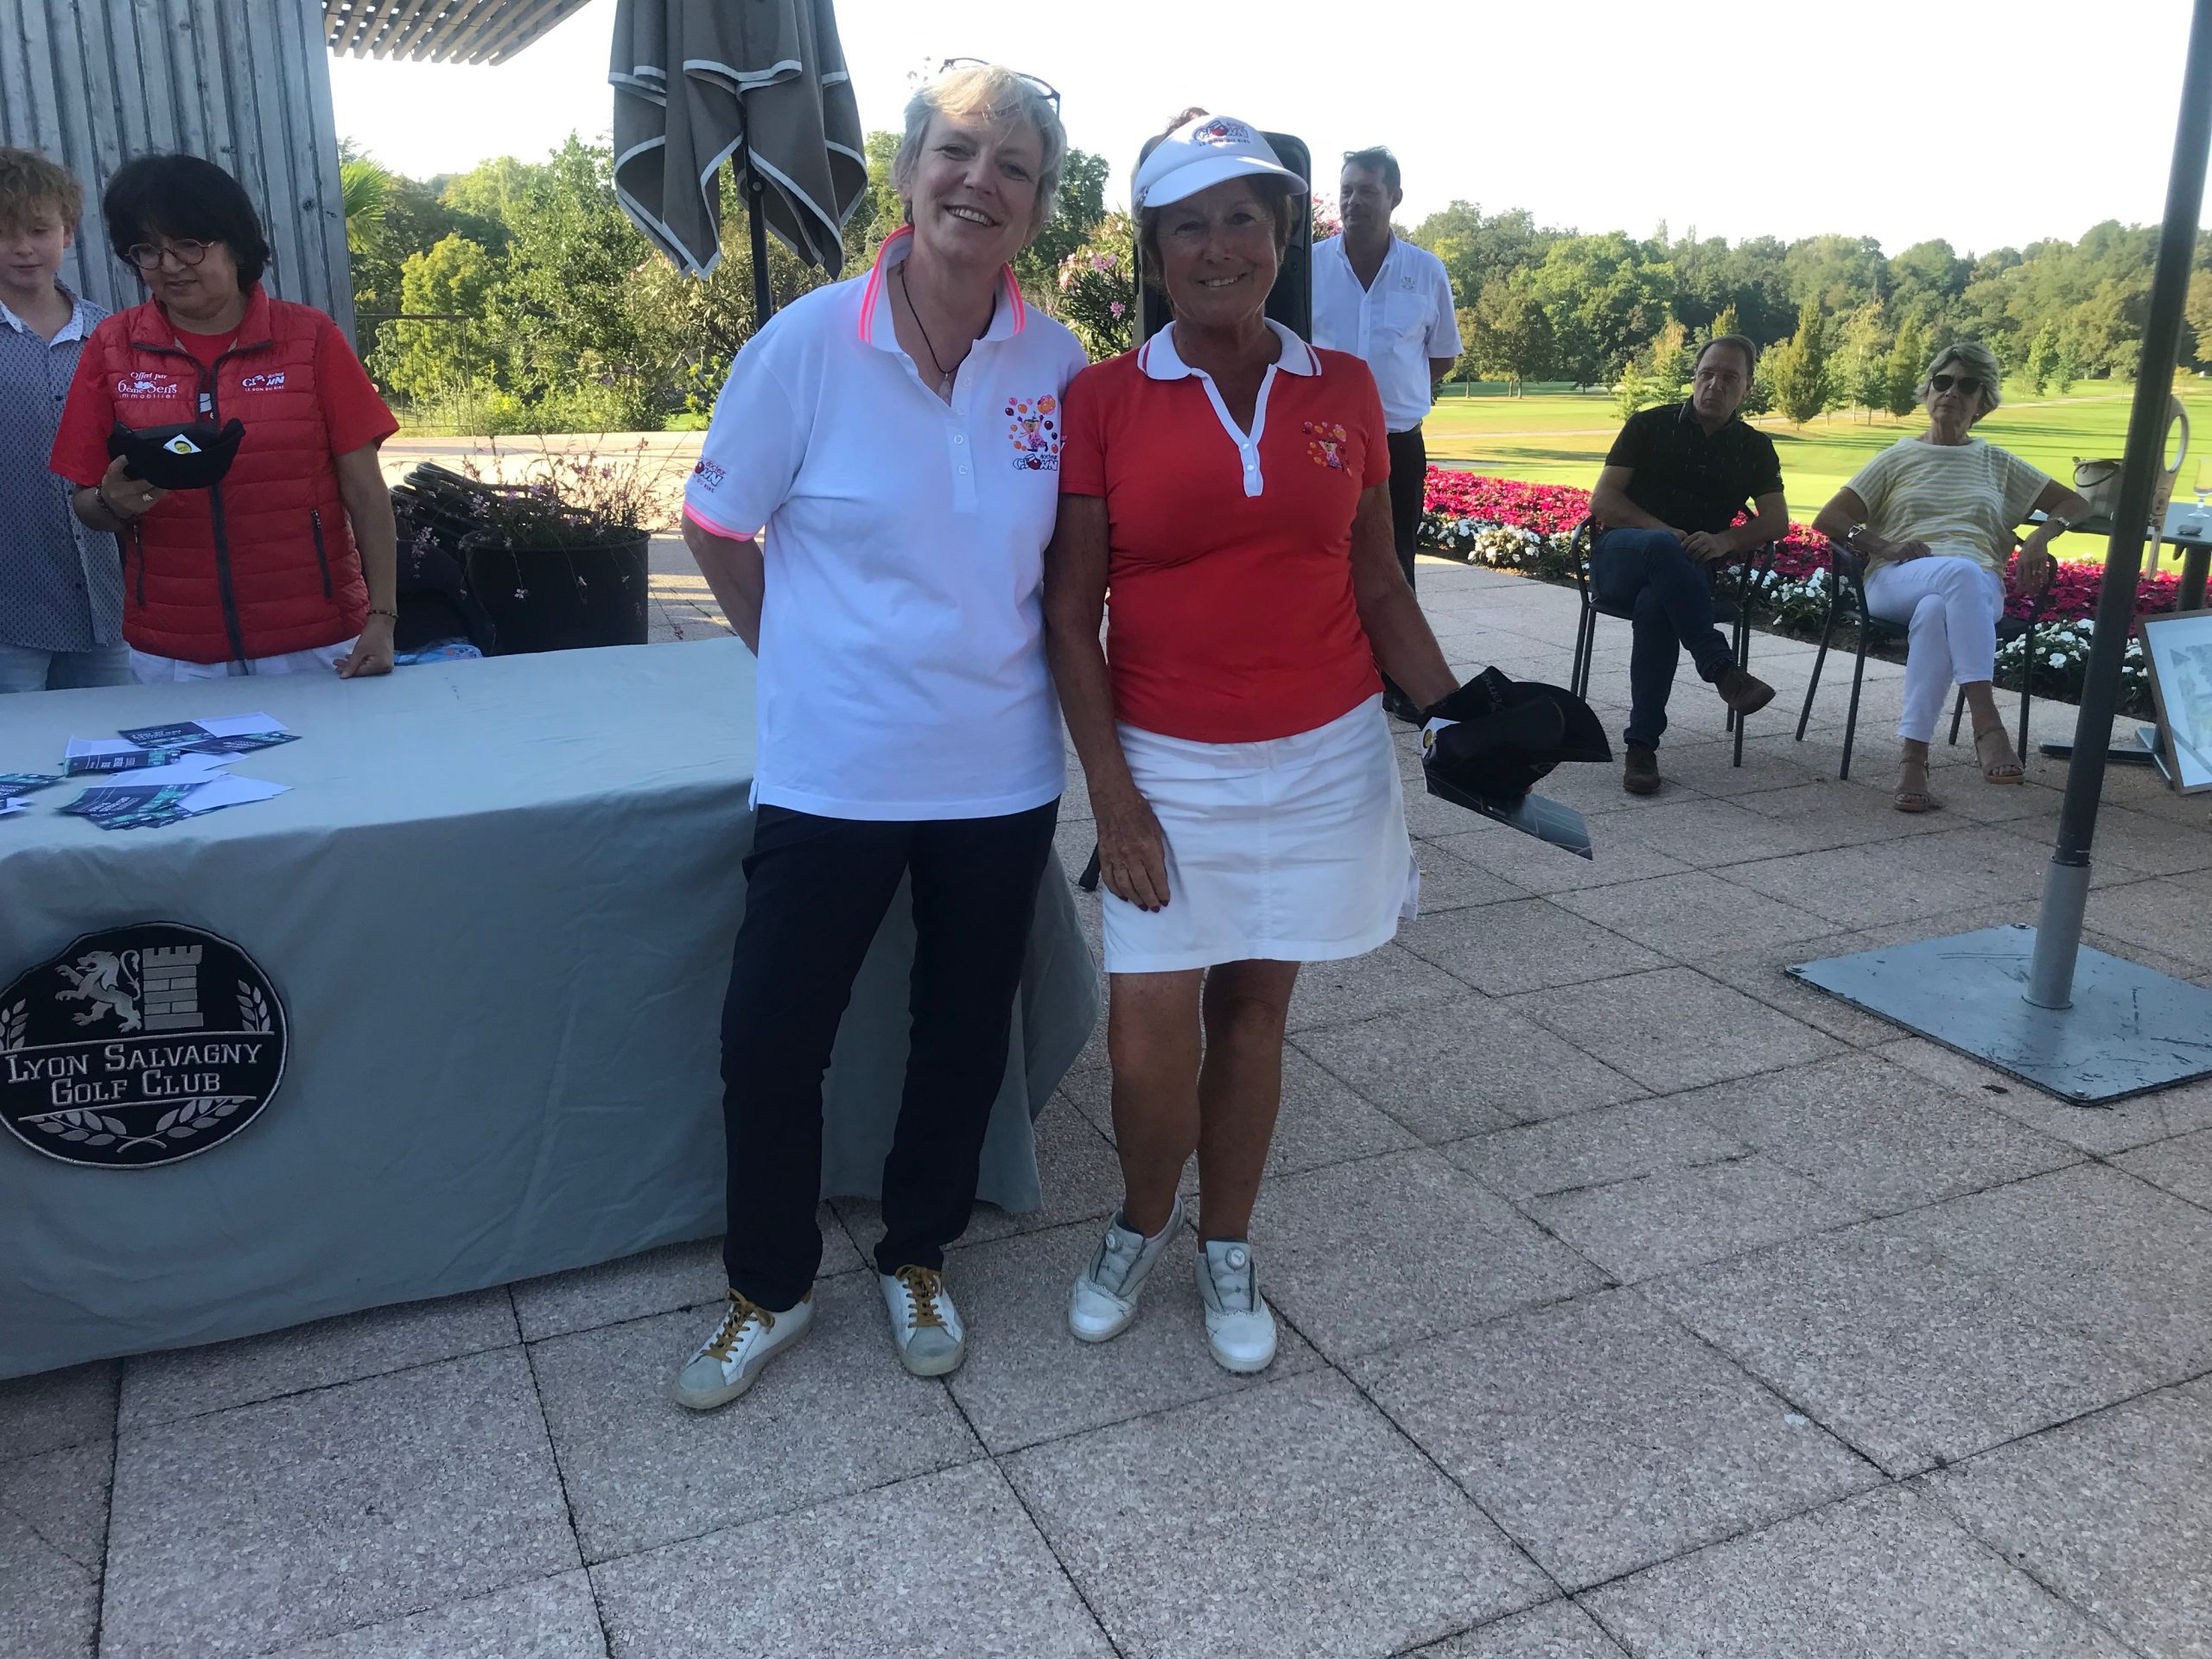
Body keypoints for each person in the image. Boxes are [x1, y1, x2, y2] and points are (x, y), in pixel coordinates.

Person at [671, 64, 1087, 1409]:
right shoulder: (804, 345)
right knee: (770, 1037)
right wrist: (798, 658)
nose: (981, 182)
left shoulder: (1059, 365)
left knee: (963, 1032)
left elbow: (1071, 570)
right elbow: (715, 525)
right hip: (834, 769)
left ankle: (919, 1253)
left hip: (999, 772)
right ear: (907, 174)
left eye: (1014, 167)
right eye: (957, 151)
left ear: (1037, 208)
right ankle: (769, 1287)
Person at [1044, 113, 1458, 1374]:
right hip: (1165, 764)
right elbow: (1069, 611)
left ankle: (1227, 1242)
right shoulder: (1103, 399)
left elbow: (1377, 580)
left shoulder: (1346, 390)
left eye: (1244, 220)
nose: (1219, 246)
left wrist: (1454, 709)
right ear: (1154, 251)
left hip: (1323, 754)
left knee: (1256, 1015)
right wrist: (1113, 797)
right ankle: (1140, 1219)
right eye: (1190, 226)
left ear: (1283, 239)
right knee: (1144, 1037)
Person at [48, 154, 398, 681]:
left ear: (235, 243)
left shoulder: (310, 338)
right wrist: (109, 502)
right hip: (175, 649)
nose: (169, 266)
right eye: (147, 250)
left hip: (315, 640)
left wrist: (383, 617)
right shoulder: (112, 346)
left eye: (189, 245)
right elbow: (85, 501)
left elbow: (366, 491)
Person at [1812, 340, 2091, 811]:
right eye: (1942, 381)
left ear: (1983, 401)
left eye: (1967, 385)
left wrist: (2042, 535)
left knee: (1937, 609)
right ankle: (1987, 723)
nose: (1951, 392)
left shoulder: (1996, 461)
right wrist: (1883, 545)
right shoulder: (1898, 457)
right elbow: (1830, 518)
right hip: (1897, 578)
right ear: (1928, 391)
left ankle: (1913, 759)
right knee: (1956, 576)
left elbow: (2075, 502)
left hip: (1978, 588)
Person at [1587, 335, 1786, 794]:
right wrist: (1663, 532)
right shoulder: (1648, 425)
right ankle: (1720, 667)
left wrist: (1725, 540)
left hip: (1687, 574)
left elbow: (1776, 521)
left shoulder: (1754, 448)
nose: (1714, 385)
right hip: (1621, 557)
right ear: (1694, 376)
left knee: (1658, 604)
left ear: (1748, 388)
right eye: (1707, 374)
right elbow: (1603, 501)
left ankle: (1642, 747)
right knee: (1661, 547)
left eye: (1729, 377)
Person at [1310, 146, 1460, 721]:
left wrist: (1395, 395)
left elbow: (1441, 355)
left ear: (1394, 197)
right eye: (1346, 190)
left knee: (1394, 559)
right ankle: (1329, 671)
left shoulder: (1426, 271)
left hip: (1397, 441)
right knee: (1319, 555)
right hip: (1318, 440)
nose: (1353, 202)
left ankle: (1400, 681)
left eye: (1367, 191)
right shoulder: (1309, 266)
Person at [0, 147, 127, 692]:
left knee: (118, 737)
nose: (24, 248)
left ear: (68, 232)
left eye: (39, 230)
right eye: (5, 234)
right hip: (10, 607)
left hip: (107, 602)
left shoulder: (112, 335)